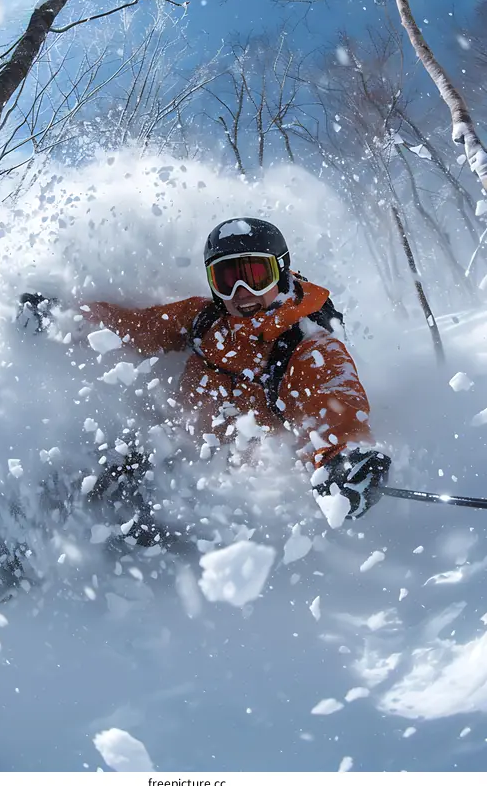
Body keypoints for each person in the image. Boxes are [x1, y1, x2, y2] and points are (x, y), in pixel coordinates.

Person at [20, 217, 390, 543]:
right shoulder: (205, 319)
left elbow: (334, 407)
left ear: (281, 271)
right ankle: (21, 537)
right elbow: (137, 328)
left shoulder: (309, 348)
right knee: (77, 474)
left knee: (129, 524)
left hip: (221, 495)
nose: (240, 293)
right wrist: (64, 318)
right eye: (226, 279)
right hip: (166, 454)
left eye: (255, 275)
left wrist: (346, 462)